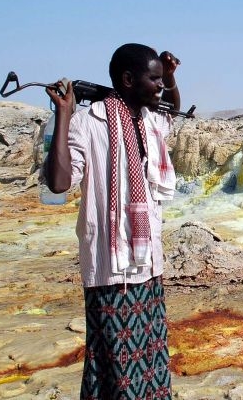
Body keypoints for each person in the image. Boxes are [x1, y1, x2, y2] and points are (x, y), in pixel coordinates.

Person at [44, 43, 181, 399]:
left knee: (151, 362)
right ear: (128, 79)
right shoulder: (88, 124)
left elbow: (173, 111)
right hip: (110, 269)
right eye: (154, 79)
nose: (160, 86)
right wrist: (64, 115)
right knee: (115, 367)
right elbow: (59, 182)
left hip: (148, 266)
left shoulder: (148, 120)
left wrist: (171, 77)